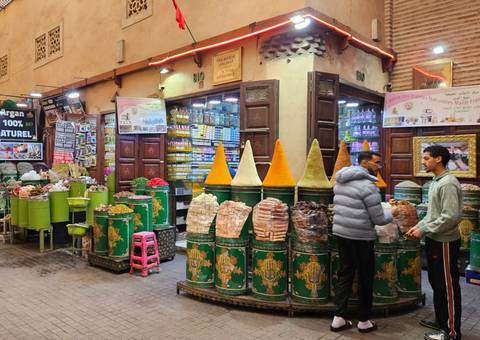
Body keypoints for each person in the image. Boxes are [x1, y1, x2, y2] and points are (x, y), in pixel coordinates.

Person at [330, 151, 396, 333]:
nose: (379, 166)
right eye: (377, 163)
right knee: (365, 277)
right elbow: (379, 219)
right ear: (365, 162)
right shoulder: (368, 186)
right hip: (361, 236)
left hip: (341, 233)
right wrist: (394, 212)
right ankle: (364, 320)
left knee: (345, 273)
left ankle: (338, 318)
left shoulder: (341, 180)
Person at [406, 145, 462, 340]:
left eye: (426, 157)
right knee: (437, 283)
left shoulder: (447, 183)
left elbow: (450, 217)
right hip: (434, 239)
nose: (423, 161)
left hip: (445, 242)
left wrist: (425, 229)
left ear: (438, 159)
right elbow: (433, 214)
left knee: (447, 286)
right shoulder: (435, 181)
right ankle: (441, 321)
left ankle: (452, 332)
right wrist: (419, 226)